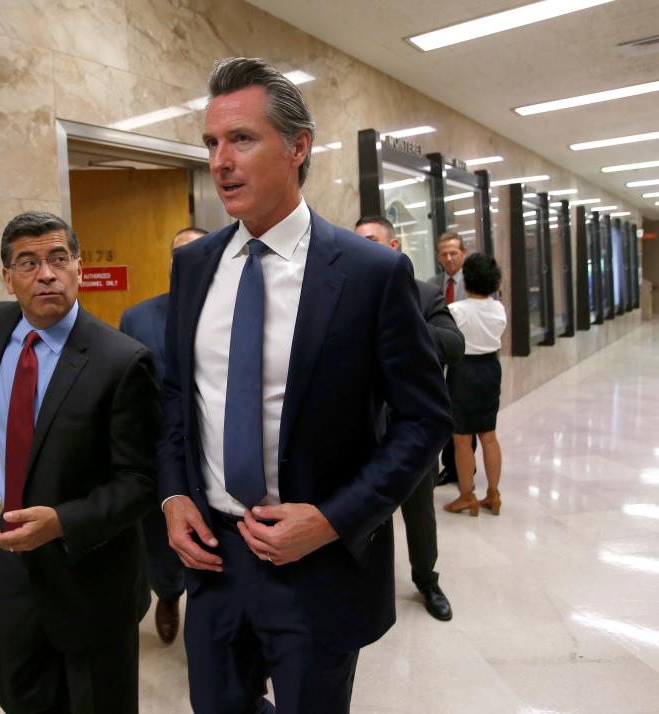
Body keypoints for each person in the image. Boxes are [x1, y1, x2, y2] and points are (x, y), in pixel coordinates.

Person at [159, 57, 452, 714]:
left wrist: (331, 520)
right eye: (211, 142)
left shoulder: (370, 274)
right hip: (212, 560)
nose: (220, 161)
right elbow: (179, 394)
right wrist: (174, 491)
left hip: (315, 567)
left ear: (296, 148)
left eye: (241, 139)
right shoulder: (193, 267)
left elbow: (423, 419)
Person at [0, 211, 159, 714]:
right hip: (15, 558)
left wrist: (62, 522)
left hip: (92, 572)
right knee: (14, 681)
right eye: (28, 263)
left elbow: (141, 480)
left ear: (78, 266)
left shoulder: (121, 361)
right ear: (7, 278)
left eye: (58, 258)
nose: (46, 274)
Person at [355, 215, 463, 621]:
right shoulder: (344, 294)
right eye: (358, 242)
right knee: (363, 513)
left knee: (419, 514)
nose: (364, 249)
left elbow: (454, 344)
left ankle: (426, 580)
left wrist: (406, 328)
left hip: (410, 432)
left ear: (394, 245)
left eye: (372, 241)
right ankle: (364, 586)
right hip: (360, 430)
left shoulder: (424, 295)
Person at [119, 225, 206, 645]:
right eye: (179, 253)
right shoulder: (137, 318)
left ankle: (216, 628)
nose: (186, 260)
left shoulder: (236, 314)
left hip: (219, 462)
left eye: (197, 251)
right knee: (162, 545)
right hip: (159, 460)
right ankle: (168, 596)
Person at [443, 253, 507, 517]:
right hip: (491, 369)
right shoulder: (498, 308)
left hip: (463, 371)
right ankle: (493, 494)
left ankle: (466, 495)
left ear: (466, 280)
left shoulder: (457, 311)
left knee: (462, 439)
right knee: (489, 435)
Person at [428, 231, 474, 486]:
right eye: (444, 254)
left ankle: (466, 467)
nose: (449, 258)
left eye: (453, 253)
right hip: (440, 362)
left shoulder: (474, 283)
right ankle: (451, 465)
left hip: (468, 359)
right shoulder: (432, 284)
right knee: (446, 413)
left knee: (465, 419)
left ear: (463, 254)